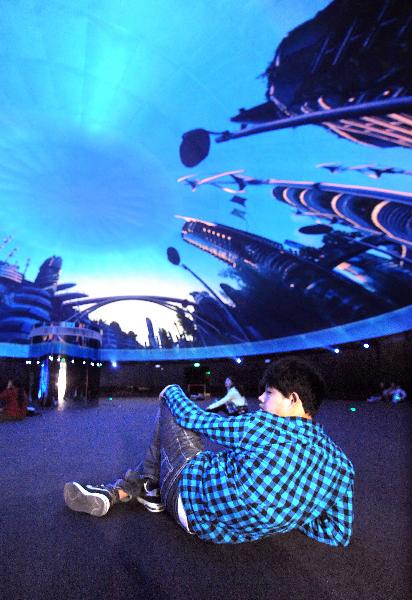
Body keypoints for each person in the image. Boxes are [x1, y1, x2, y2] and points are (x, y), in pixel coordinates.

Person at [64, 357, 354, 546]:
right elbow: (337, 533)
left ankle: (134, 487)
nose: (261, 399)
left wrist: (172, 390)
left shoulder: (264, 425)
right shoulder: (341, 465)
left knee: (172, 406)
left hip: (185, 491)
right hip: (215, 532)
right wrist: (294, 512)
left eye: (269, 393)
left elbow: (196, 419)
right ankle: (141, 487)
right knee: (214, 453)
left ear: (293, 399)